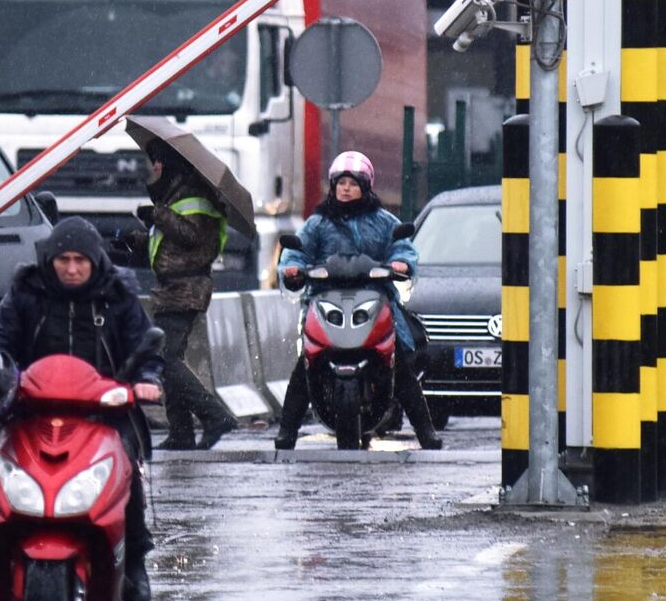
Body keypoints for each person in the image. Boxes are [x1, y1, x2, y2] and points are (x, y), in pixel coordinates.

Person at [0, 216, 165, 601]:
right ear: (50, 260)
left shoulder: (118, 295)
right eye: (64, 259)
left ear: (96, 261)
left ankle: (134, 563)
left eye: (81, 259)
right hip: (32, 410)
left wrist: (146, 380)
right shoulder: (25, 293)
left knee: (127, 468)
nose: (73, 268)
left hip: (102, 413)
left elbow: (145, 346)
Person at [274, 151, 442, 451]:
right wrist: (293, 268)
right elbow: (296, 252)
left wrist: (401, 264)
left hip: (374, 300)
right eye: (341, 183)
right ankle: (286, 432)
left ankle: (426, 432)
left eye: (353, 183)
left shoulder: (383, 221)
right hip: (325, 301)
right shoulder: (317, 223)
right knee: (305, 365)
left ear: (366, 186)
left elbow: (401, 247)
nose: (346, 188)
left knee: (399, 363)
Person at [135, 143, 239, 451]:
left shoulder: (194, 198)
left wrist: (157, 216)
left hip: (187, 287)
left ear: (168, 165)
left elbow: (193, 237)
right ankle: (181, 432)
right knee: (170, 358)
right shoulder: (175, 197)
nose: (153, 169)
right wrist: (136, 243)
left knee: (165, 358)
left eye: (156, 163)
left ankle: (215, 416)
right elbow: (168, 248)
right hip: (171, 287)